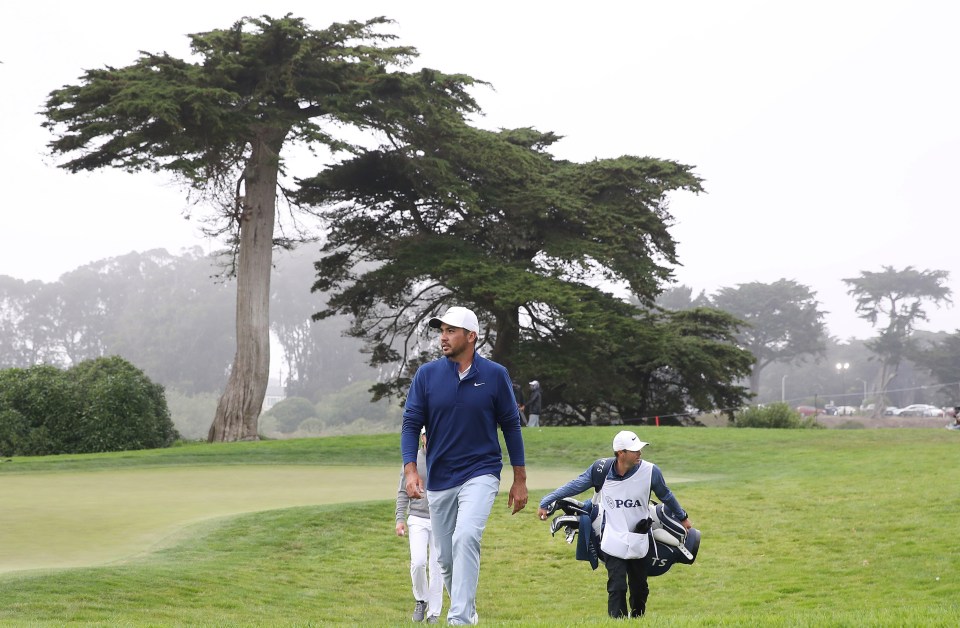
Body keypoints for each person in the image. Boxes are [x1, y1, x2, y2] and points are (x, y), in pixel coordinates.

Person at [401, 305, 528, 626]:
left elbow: (511, 426)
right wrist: (410, 469)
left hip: (481, 472)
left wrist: (519, 479)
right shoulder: (427, 375)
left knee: (466, 537)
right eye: (441, 331)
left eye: (450, 331)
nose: (443, 337)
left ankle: (459, 620)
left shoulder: (495, 375)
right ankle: (468, 611)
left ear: (471, 337)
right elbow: (411, 423)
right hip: (440, 479)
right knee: (444, 558)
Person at [536, 430, 692, 619]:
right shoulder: (601, 470)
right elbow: (575, 485)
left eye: (640, 449)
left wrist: (682, 517)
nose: (640, 453)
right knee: (617, 588)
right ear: (620, 453)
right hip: (613, 539)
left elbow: (666, 495)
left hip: (639, 539)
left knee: (640, 589)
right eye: (635, 450)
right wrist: (547, 501)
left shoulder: (651, 471)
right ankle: (617, 621)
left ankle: (637, 619)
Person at [396, 428, 442, 624]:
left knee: (437, 566)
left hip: (441, 520)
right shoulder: (412, 461)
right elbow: (401, 491)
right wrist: (399, 519)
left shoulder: (445, 457)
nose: (428, 438)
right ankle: (421, 599)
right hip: (417, 518)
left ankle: (434, 612)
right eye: (426, 435)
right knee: (419, 562)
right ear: (422, 437)